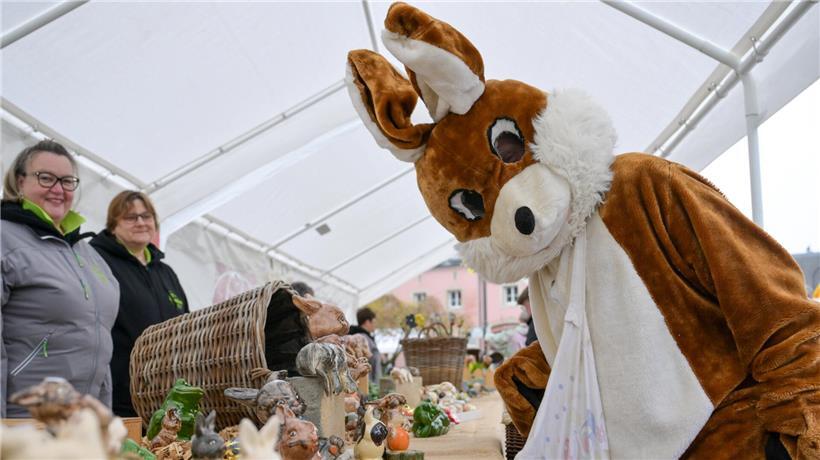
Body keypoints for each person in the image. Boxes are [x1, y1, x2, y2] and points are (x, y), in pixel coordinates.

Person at [1, 140, 119, 417]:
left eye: (67, 181)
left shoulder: (89, 254)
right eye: (46, 178)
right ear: (19, 182)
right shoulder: (5, 238)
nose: (58, 189)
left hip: (83, 422)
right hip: (25, 420)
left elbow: (100, 344)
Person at [90, 190, 189, 417]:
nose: (141, 222)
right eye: (130, 217)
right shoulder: (98, 261)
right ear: (113, 225)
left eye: (146, 216)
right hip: (121, 397)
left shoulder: (165, 272)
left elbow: (187, 324)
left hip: (169, 398)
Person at [348, 307, 381, 384]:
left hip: (362, 383)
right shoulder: (363, 339)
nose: (375, 325)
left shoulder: (357, 337)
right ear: (367, 322)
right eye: (373, 322)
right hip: (367, 384)